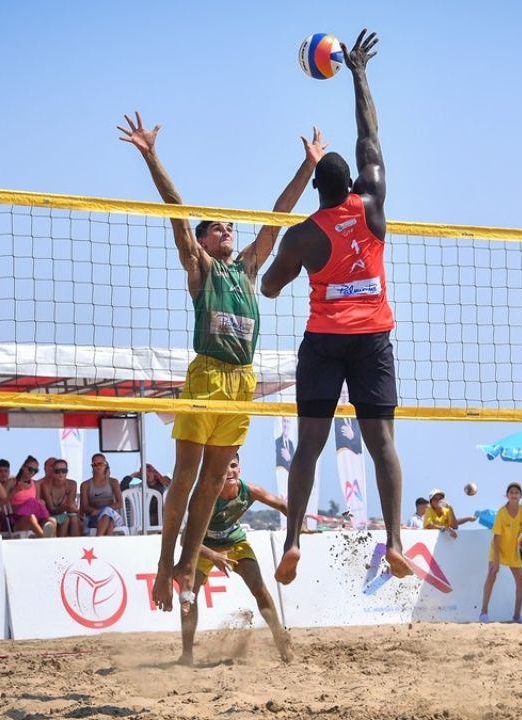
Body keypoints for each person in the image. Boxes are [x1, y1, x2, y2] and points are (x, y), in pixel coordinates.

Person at [118, 111, 326, 614]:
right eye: (218, 228)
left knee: (213, 482)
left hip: (240, 381)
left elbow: (278, 216)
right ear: (205, 241)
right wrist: (151, 155)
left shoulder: (249, 268)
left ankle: (187, 567)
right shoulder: (201, 267)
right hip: (207, 374)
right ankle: (169, 565)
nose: (226, 230)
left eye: (229, 226)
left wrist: (308, 165)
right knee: (185, 476)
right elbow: (176, 209)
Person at [261, 30, 412, 585]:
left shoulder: (302, 235)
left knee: (310, 446)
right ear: (352, 182)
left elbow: (271, 288)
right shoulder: (372, 204)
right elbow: (370, 134)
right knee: (382, 444)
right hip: (372, 339)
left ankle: (294, 539)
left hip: (324, 342)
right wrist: (359, 72)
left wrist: (289, 263)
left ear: (315, 192)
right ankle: (394, 541)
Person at [182, 454, 293, 665]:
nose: (230, 471)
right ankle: (187, 654)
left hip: (235, 544)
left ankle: (280, 639)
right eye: (224, 466)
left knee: (259, 588)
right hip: (203, 547)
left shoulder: (249, 490)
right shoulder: (207, 497)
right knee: (189, 596)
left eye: (233, 465)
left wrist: (297, 529)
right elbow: (184, 540)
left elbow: (282, 505)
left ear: (239, 469)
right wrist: (214, 556)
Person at [479, 482, 522, 624]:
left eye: (516, 492)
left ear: (520, 496)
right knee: (492, 575)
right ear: (507, 495)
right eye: (511, 492)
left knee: (521, 581)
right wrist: (496, 560)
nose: (514, 495)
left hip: (513, 552)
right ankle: (483, 612)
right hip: (498, 549)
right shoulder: (502, 512)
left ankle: (516, 616)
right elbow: (496, 537)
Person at [7, 458, 54, 538]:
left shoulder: (35, 485)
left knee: (52, 521)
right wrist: (15, 491)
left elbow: (38, 504)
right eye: (30, 469)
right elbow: (1, 502)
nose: (32, 472)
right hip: (17, 520)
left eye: (35, 471)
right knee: (31, 510)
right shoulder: (12, 482)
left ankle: (49, 540)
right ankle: (45, 540)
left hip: (36, 519)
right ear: (23, 467)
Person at [81, 453, 125, 537]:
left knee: (107, 512)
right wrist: (98, 511)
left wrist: (103, 510)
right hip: (94, 516)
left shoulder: (113, 482)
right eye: (95, 464)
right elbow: (84, 506)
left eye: (100, 464)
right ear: (92, 466)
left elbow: (120, 503)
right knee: (109, 519)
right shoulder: (85, 485)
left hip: (111, 513)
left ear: (105, 465)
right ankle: (105, 542)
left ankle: (99, 539)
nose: (98, 466)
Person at [39, 458, 80, 537]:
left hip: (65, 514)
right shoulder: (46, 485)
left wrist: (69, 508)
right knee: (67, 518)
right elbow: (51, 509)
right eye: (57, 471)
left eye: (64, 471)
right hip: (49, 516)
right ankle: (60, 543)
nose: (61, 474)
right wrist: (67, 507)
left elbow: (70, 506)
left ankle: (75, 544)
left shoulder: (72, 484)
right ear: (53, 472)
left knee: (73, 518)